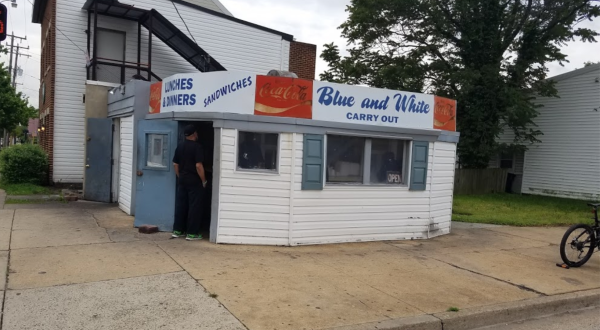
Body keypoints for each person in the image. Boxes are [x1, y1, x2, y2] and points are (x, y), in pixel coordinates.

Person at [172, 124, 207, 241]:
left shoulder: (180, 146)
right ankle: (192, 233)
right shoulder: (197, 147)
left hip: (182, 179)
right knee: (194, 206)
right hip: (194, 181)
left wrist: (180, 176)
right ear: (194, 134)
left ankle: (177, 230)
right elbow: (198, 165)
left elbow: (175, 164)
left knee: (181, 205)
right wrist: (203, 180)